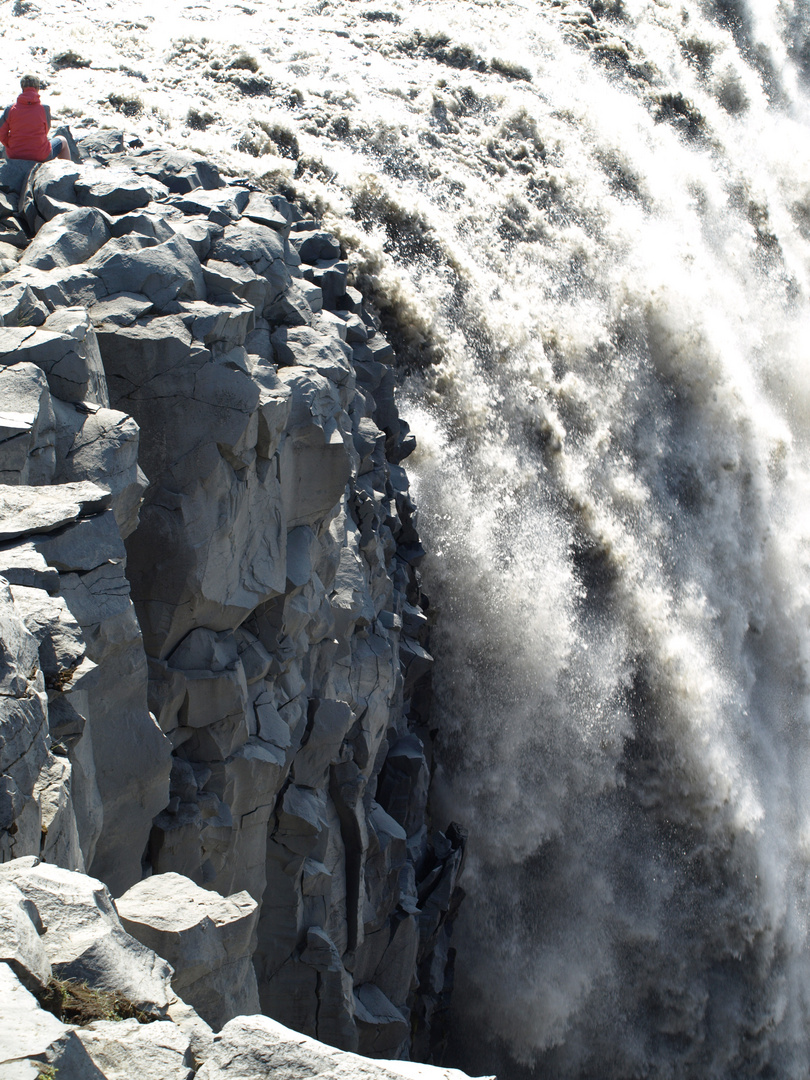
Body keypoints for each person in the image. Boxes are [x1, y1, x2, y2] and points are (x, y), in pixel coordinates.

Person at [0, 75, 70, 162]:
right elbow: (45, 131)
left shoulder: (10, 109)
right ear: (37, 88)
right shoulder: (44, 109)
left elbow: (1, 133)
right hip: (40, 155)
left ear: (22, 88)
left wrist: (10, 144)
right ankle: (67, 170)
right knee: (62, 140)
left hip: (15, 154)